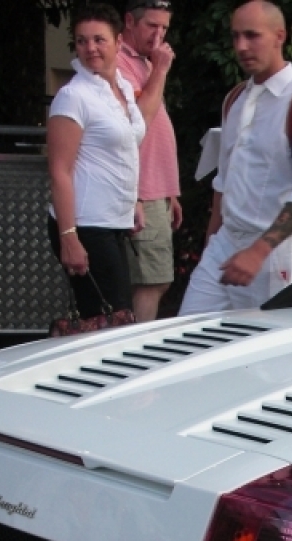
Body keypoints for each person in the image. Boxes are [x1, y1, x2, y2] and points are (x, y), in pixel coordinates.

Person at [180, 0, 292, 313]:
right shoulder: (234, 98)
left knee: (266, 354)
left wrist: (258, 251)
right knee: (185, 338)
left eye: (252, 35)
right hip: (225, 243)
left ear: (280, 36)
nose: (241, 46)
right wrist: (212, 242)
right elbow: (224, 182)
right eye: (235, 36)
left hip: (274, 254)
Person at [47, 3, 146, 319]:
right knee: (111, 320)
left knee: (109, 321)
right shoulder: (73, 96)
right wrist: (69, 237)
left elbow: (122, 150)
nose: (90, 48)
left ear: (119, 42)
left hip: (112, 221)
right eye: (82, 40)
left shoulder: (124, 89)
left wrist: (134, 201)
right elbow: (60, 170)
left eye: (99, 39)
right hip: (85, 223)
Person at [116, 0, 179, 322]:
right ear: (129, 21)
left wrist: (169, 190)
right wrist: (162, 69)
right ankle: (136, 348)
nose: (159, 35)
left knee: (155, 279)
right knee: (150, 281)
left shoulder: (144, 60)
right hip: (140, 188)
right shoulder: (120, 62)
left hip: (155, 188)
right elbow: (139, 120)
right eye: (152, 26)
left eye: (164, 28)